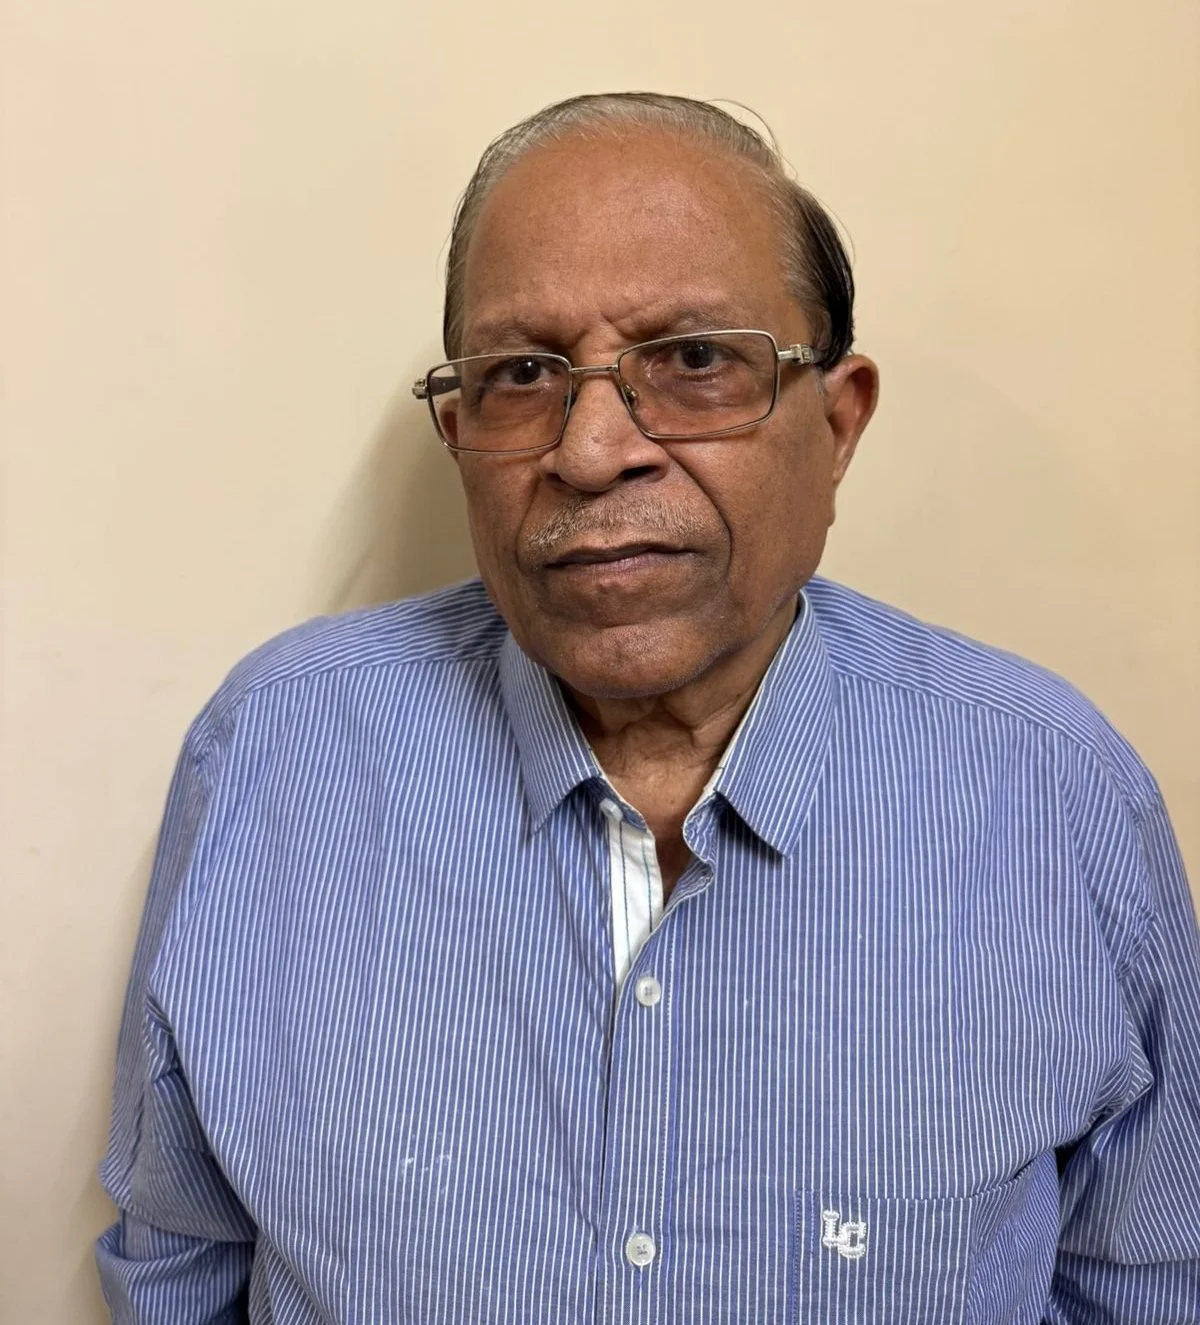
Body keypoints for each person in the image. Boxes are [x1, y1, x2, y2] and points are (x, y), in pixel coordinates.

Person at [95, 92, 1200, 1324]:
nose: (592, 446)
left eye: (692, 360)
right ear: (460, 432)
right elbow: (177, 1263)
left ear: (836, 424)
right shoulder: (273, 758)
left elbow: (1146, 1284)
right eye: (523, 374)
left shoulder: (1057, 792)